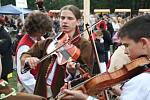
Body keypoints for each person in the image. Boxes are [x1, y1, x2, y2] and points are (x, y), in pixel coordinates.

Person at [62, 14, 150, 100]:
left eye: (127, 45)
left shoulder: (142, 80)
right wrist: (122, 93)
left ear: (144, 43)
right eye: (62, 18)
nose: (125, 51)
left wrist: (86, 98)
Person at [21, 5, 94, 99]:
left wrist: (72, 71)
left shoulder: (84, 45)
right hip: (42, 92)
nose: (65, 21)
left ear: (78, 21)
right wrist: (28, 59)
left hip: (65, 94)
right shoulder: (50, 41)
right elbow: (25, 55)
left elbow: (86, 73)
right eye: (62, 18)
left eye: (70, 18)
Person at [16, 10, 52, 93]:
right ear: (35, 29)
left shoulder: (39, 39)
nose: (44, 33)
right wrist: (41, 92)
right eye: (42, 31)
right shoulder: (24, 46)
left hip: (38, 83)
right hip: (30, 89)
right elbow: (25, 77)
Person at [0, 15, 13, 82]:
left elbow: (3, 49)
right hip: (2, 63)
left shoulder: (4, 34)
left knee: (3, 83)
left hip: (4, 64)